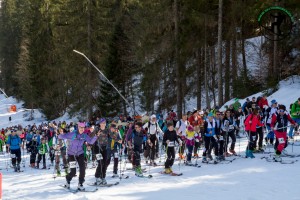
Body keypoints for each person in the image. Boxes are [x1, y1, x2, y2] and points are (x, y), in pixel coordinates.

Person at [59, 122, 98, 191]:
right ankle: (68, 180)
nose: (82, 129)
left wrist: (96, 136)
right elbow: (64, 136)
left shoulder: (85, 135)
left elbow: (91, 142)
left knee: (82, 169)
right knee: (73, 172)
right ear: (78, 127)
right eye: (80, 128)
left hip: (80, 153)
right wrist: (60, 135)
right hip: (71, 154)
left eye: (83, 128)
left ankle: (80, 184)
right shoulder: (73, 134)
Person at [93, 118, 110, 185]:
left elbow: (112, 135)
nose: (103, 124)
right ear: (100, 124)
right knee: (100, 162)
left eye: (104, 123)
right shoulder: (97, 129)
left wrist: (119, 140)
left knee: (105, 163)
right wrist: (96, 135)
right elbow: (91, 136)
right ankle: (97, 177)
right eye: (102, 123)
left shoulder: (107, 129)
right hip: (97, 148)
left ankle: (103, 177)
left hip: (104, 148)